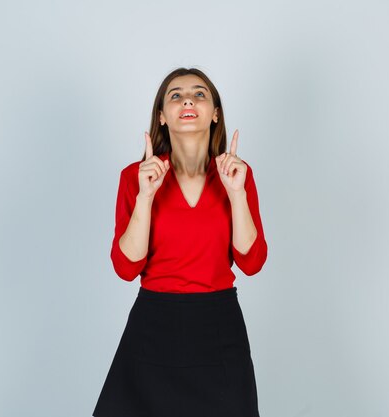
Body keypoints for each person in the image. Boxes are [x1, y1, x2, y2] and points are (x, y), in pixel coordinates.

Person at [92, 67, 268, 417]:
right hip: (152, 328)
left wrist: (236, 195)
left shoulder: (236, 175)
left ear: (215, 113)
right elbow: (126, 268)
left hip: (218, 329)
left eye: (200, 93)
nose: (188, 99)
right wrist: (144, 197)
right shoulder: (136, 177)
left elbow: (252, 261)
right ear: (161, 116)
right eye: (175, 95)